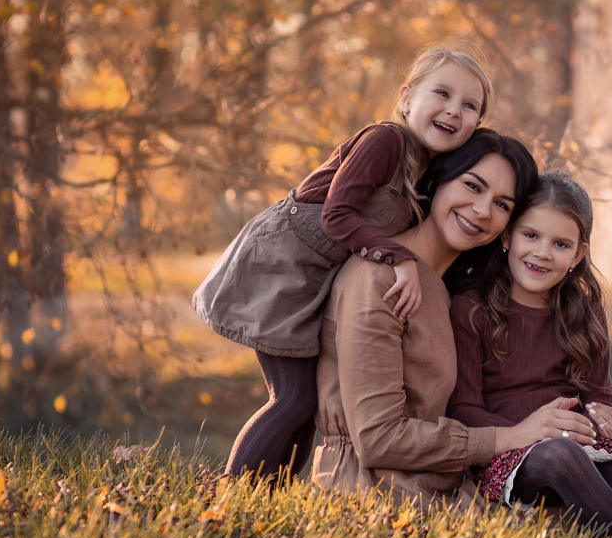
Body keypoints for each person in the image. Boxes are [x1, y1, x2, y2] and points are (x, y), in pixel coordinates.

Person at [196, 40, 493, 482]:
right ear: (406, 98)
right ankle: (232, 496)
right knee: (291, 400)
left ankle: (268, 497)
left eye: (470, 106)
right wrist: (400, 258)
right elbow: (337, 214)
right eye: (443, 94)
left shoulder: (423, 169)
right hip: (281, 267)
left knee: (304, 406)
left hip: (312, 279)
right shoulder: (385, 140)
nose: (454, 110)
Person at [312, 128, 603, 498]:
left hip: (448, 483)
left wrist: (602, 422)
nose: (482, 210)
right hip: (377, 491)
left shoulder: (450, 287)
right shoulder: (379, 278)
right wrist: (515, 436)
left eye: (502, 204)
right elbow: (377, 439)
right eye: (472, 186)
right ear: (438, 180)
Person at [447, 172, 612, 538]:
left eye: (560, 243)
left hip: (580, 444)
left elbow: (597, 395)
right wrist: (529, 430)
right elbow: (463, 410)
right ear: (507, 236)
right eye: (530, 235)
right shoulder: (472, 309)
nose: (541, 253)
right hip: (509, 456)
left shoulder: (584, 311)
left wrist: (608, 421)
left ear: (578, 254)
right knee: (561, 453)